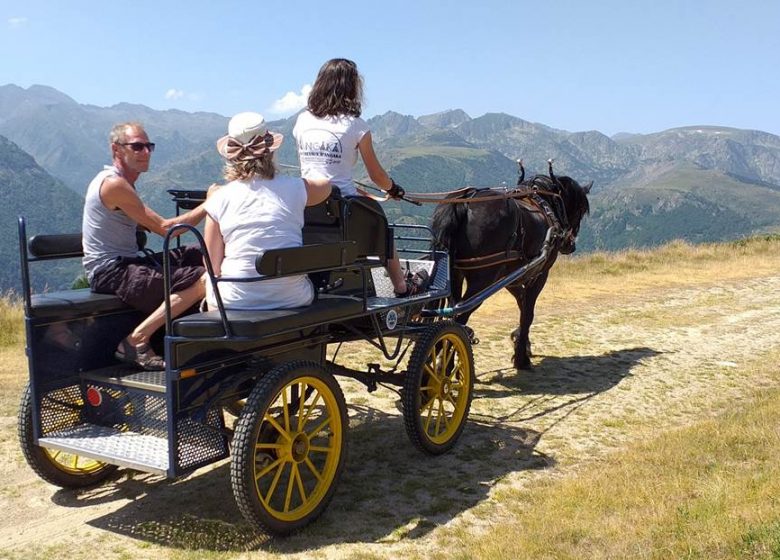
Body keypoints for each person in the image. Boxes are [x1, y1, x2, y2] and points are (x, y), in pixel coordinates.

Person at [293, 58, 429, 297]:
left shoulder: (302, 121)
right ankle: (401, 286)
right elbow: (377, 176)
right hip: (342, 208)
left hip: (305, 203)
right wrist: (393, 189)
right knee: (380, 222)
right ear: (352, 88)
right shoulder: (357, 126)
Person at [82, 122, 207, 370]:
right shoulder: (114, 184)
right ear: (116, 150)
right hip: (111, 271)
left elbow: (144, 224)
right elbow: (166, 230)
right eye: (137, 147)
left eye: (149, 146)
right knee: (203, 279)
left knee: (199, 253)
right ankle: (135, 339)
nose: (146, 152)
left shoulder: (120, 183)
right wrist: (210, 204)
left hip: (125, 263)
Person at [203, 112, 332, 310]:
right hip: (292, 299)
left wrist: (210, 198)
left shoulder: (219, 198)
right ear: (271, 151)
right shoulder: (296, 188)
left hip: (235, 302)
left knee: (209, 283)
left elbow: (212, 266)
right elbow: (326, 186)